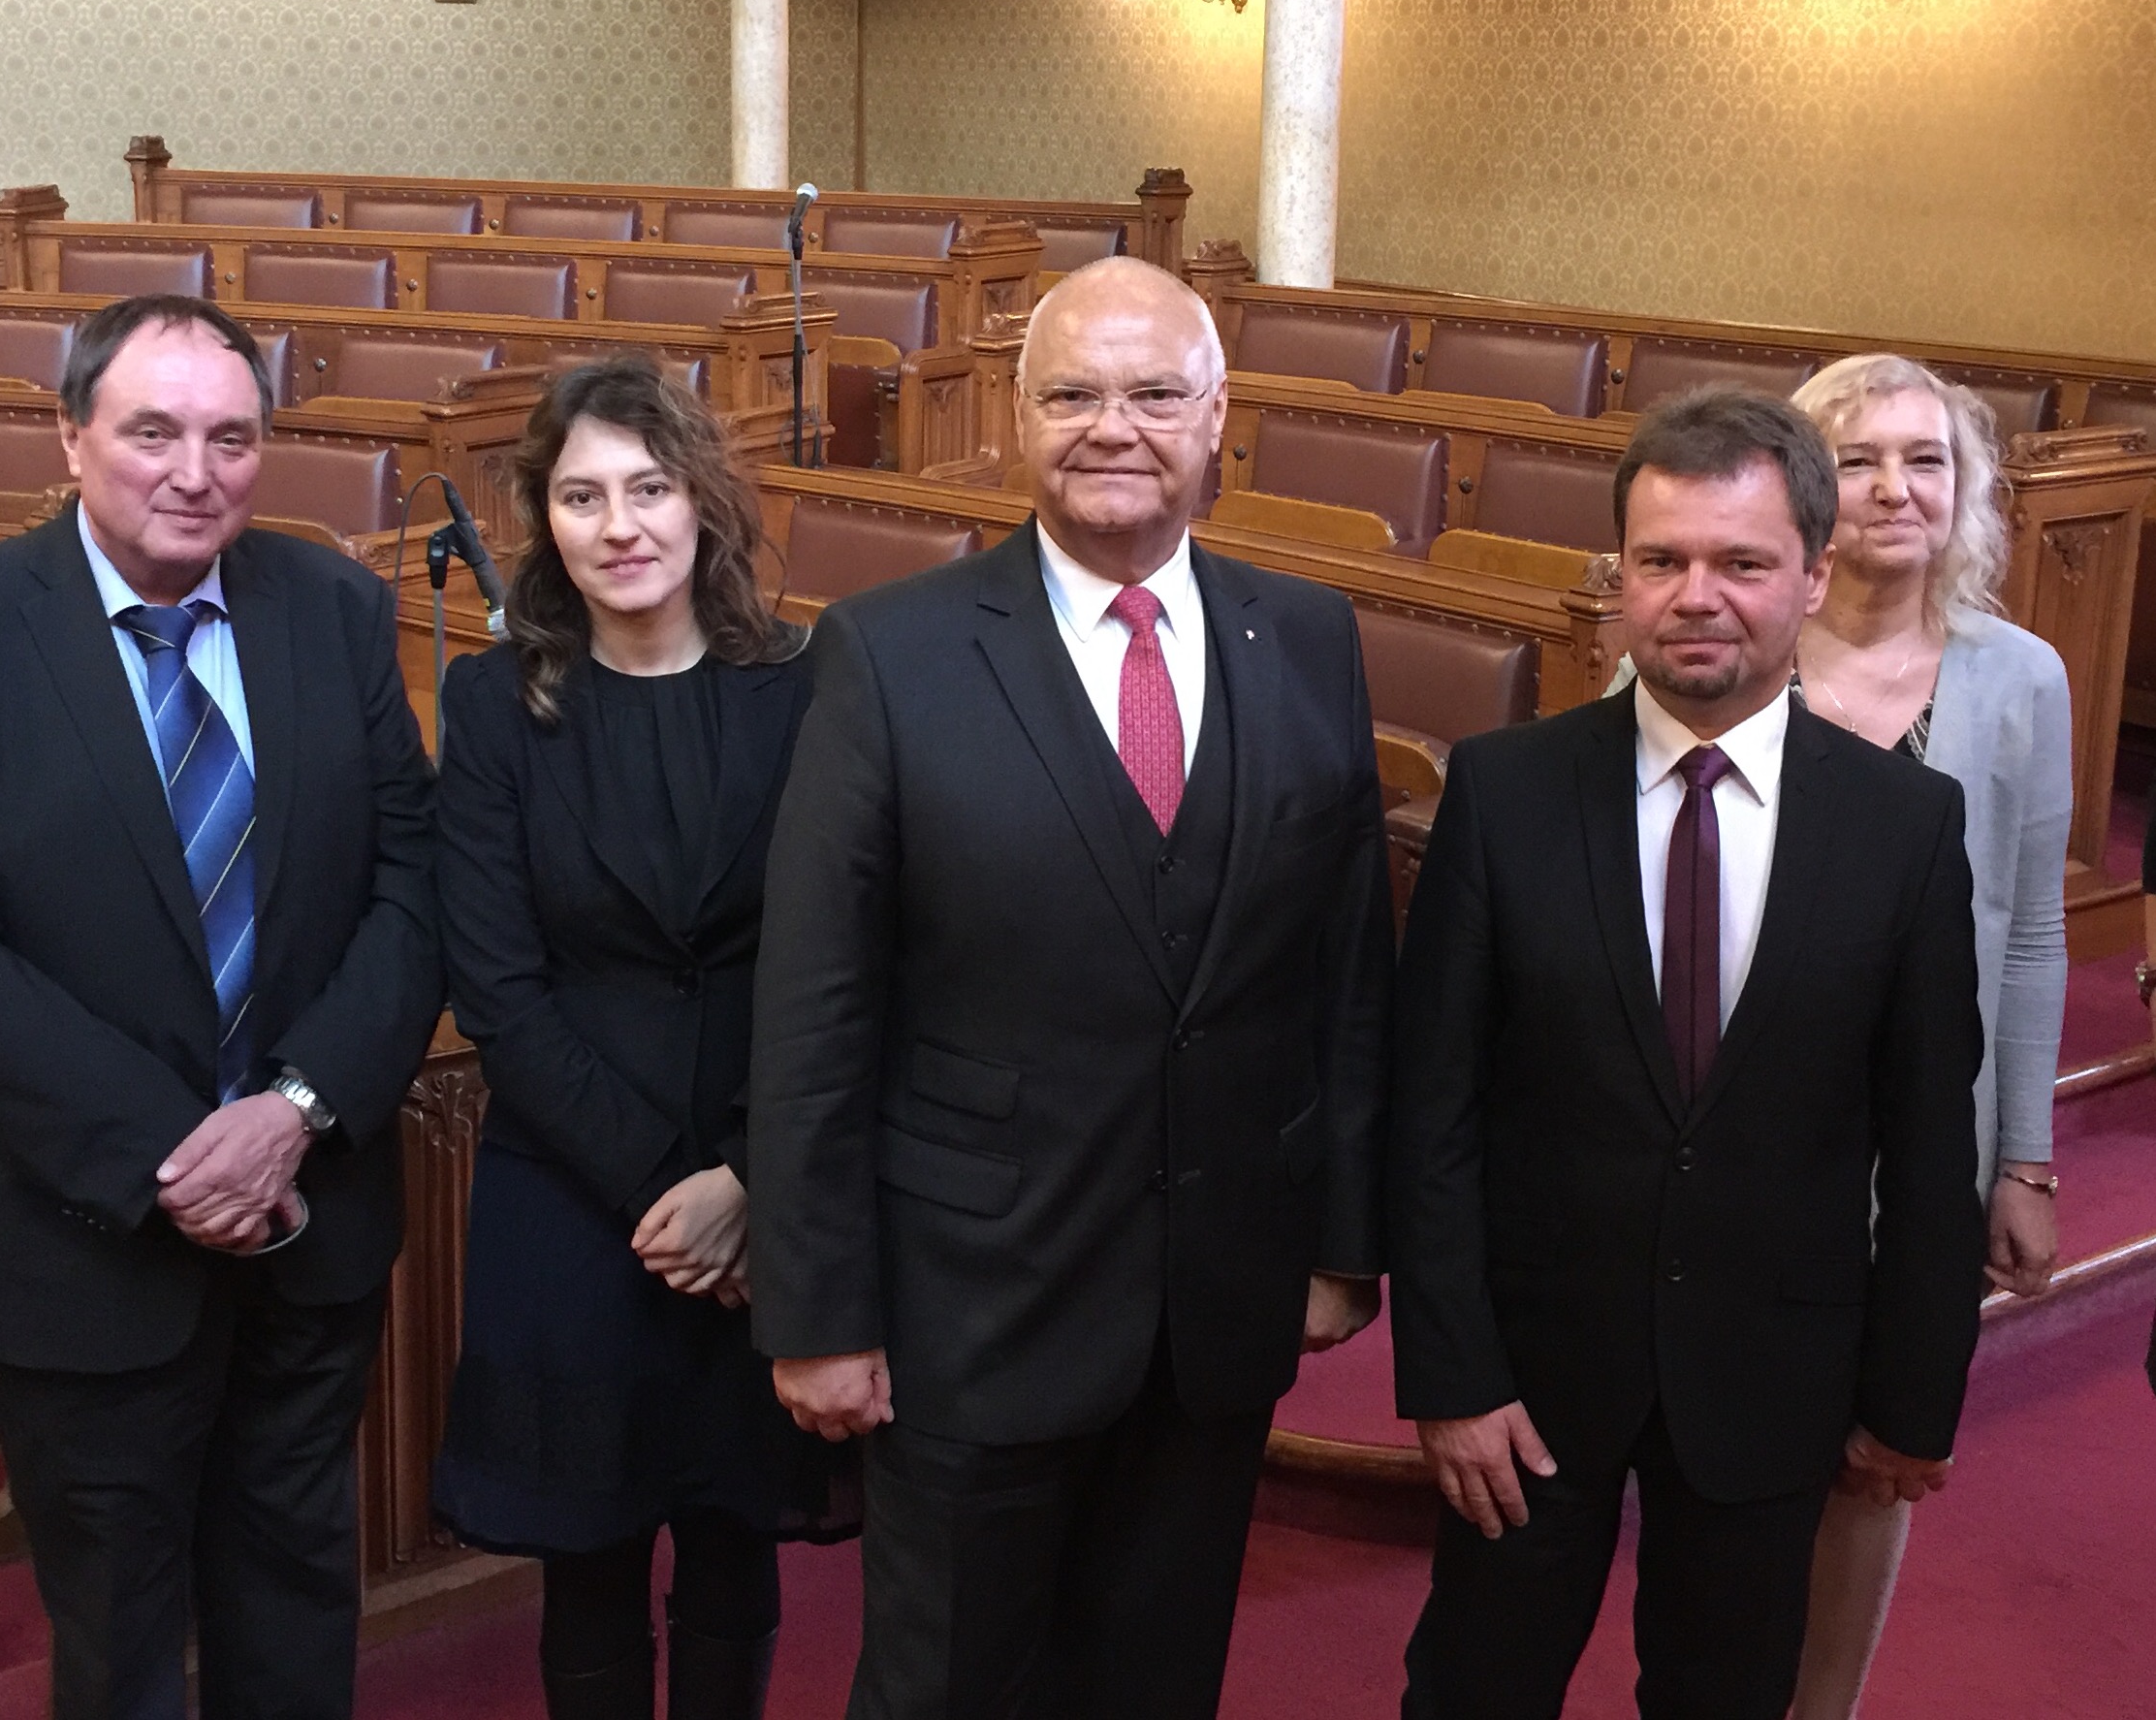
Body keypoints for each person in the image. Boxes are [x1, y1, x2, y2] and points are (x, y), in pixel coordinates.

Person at [747, 256, 1397, 1720]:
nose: (1115, 426)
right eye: (1074, 394)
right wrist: (818, 1306)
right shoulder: (891, 653)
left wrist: (1342, 1241)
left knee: (1155, 1684)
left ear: (1216, 415)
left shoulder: (1301, 639)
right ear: (1018, 420)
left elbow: (1347, 969)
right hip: (970, 1302)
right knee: (946, 1688)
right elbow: (814, 1008)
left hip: (1218, 1300)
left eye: (1155, 392)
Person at [0, 294, 444, 1720]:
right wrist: (186, 1156)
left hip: (309, 1215)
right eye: (153, 431)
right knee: (115, 1625)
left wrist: (291, 1118)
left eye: (232, 437)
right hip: (78, 1235)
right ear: (70, 441)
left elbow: (413, 889)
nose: (195, 472)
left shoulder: (335, 606)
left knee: (299, 1578)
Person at [1389, 387, 1987, 1720]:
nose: (1694, 596)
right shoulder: (1503, 793)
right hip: (1527, 1386)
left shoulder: (1902, 827)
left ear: (1813, 576)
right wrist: (1450, 1373)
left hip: (1774, 1378)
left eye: (1740, 562)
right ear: (1619, 578)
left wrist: (1911, 1396)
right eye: (1659, 561)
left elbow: (1927, 1133)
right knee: (1470, 1690)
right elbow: (1430, 1108)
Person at [430, 358, 845, 1720]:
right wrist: (666, 1195)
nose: (620, 525)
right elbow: (496, 988)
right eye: (581, 495)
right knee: (589, 1566)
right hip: (572, 1191)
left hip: (764, 1168)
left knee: (737, 1546)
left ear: (702, 502)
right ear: (543, 523)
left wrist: (745, 1182)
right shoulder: (500, 706)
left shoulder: (808, 686)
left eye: (649, 488)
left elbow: (839, 961)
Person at [1783, 354, 2069, 1718]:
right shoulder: (1726, 637)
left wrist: (2021, 1160)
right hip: (1743, 1127)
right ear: (1798, 484)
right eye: (1855, 459)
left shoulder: (2020, 677)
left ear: (1965, 493)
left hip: (1925, 1142)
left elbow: (2023, 936)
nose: (1893, 489)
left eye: (1925, 460)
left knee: (1874, 1452)